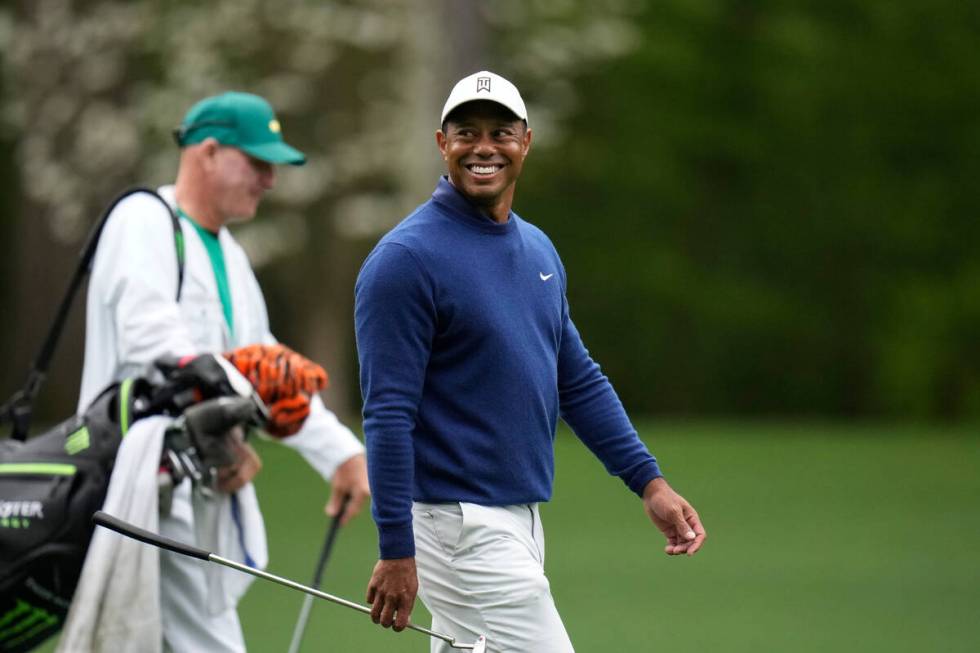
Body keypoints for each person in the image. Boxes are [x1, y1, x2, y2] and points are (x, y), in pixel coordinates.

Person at [354, 71, 707, 652]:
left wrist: (649, 483)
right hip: (457, 527)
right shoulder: (405, 261)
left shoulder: (538, 249)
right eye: (466, 132)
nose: (484, 147)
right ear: (442, 143)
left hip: (519, 520)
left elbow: (577, 380)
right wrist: (396, 548)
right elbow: (389, 414)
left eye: (501, 132)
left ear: (526, 141)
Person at [76, 91, 370, 652]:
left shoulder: (227, 252)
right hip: (141, 488)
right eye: (257, 162)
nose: (270, 179)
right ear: (207, 151)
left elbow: (266, 369)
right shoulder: (142, 219)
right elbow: (154, 339)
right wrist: (233, 413)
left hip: (190, 495)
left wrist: (342, 453)